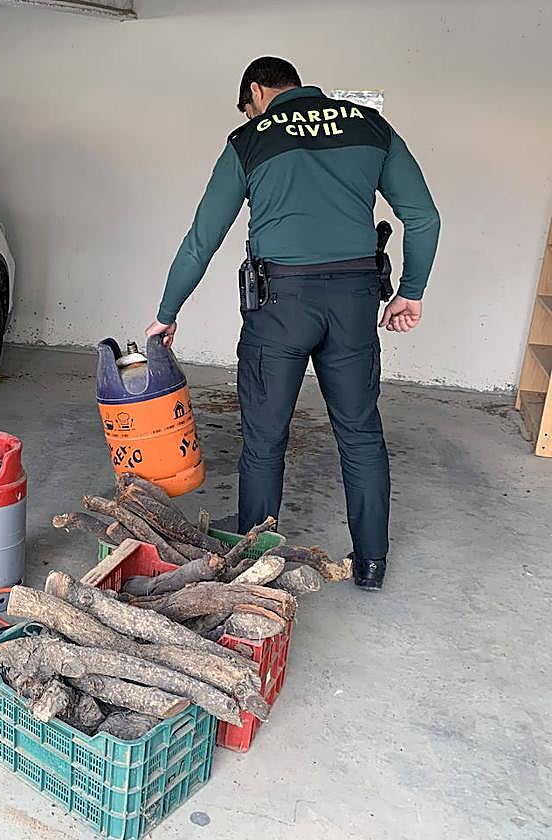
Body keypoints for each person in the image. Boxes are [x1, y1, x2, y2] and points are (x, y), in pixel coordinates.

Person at [146, 57, 439, 591]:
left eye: (249, 103)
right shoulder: (370, 126)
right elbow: (423, 216)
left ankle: (254, 558)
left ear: (257, 91)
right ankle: (372, 563)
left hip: (279, 306)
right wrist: (410, 293)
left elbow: (200, 241)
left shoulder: (250, 139)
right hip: (353, 301)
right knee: (361, 433)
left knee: (264, 437)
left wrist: (166, 315)